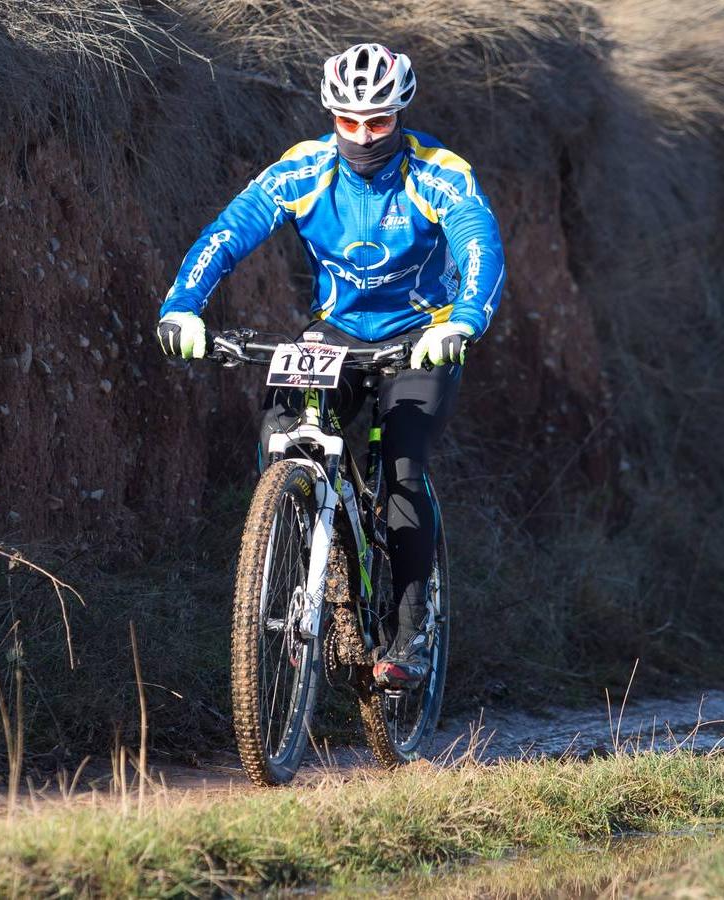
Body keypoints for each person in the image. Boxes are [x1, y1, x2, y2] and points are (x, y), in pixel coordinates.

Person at [156, 43, 507, 688]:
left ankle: (412, 626)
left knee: (401, 468)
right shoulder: (305, 168)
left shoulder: (439, 172)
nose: (363, 134)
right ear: (332, 115)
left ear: (399, 113)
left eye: (377, 121)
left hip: (421, 334)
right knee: (280, 427)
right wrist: (184, 307)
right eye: (349, 120)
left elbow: (479, 243)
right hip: (338, 332)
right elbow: (228, 232)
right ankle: (299, 560)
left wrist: (462, 322)